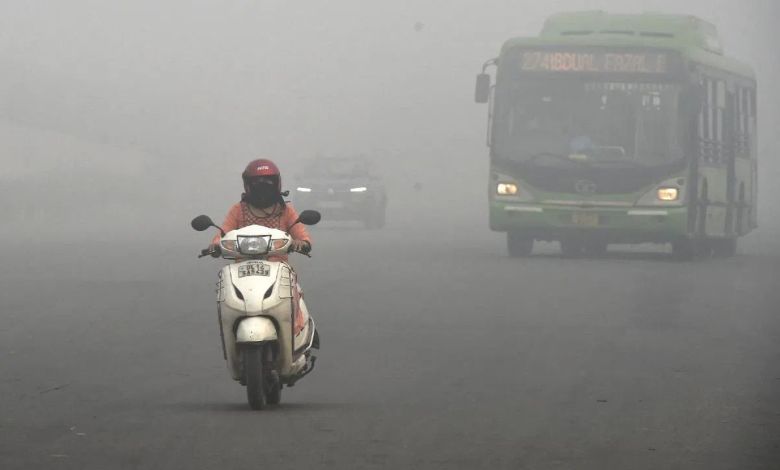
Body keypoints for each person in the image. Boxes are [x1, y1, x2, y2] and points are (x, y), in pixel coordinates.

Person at [210, 158, 312, 257]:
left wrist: (302, 243)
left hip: (279, 268)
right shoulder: (238, 210)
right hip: (241, 267)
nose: (263, 189)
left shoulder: (285, 210)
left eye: (268, 183)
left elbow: (302, 236)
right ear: (248, 185)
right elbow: (224, 233)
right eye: (257, 183)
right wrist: (216, 245)